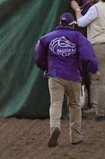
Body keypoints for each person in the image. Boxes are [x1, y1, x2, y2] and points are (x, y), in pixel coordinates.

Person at [34, 12, 99, 147]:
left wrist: (47, 67)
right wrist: (94, 69)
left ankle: (55, 127)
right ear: (72, 24)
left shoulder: (47, 38)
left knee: (55, 103)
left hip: (55, 75)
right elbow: (87, 55)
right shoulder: (77, 37)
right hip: (73, 75)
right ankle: (75, 136)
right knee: (74, 105)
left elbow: (38, 57)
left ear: (60, 23)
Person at [70, 0, 105, 121]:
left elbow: (81, 23)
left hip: (100, 46)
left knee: (100, 82)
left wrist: (77, 9)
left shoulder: (95, 8)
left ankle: (100, 113)